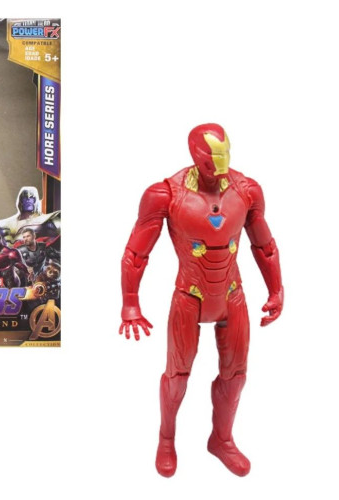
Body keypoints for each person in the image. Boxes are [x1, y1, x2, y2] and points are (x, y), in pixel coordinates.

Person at [119, 124, 284, 478]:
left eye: (225, 158)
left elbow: (264, 245)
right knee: (177, 376)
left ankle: (221, 440)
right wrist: (130, 301)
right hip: (189, 294)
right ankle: (166, 439)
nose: (220, 168)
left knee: (236, 375)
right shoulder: (165, 194)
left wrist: (276, 289)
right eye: (213, 160)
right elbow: (136, 253)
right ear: (196, 155)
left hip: (231, 292)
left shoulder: (247, 190)